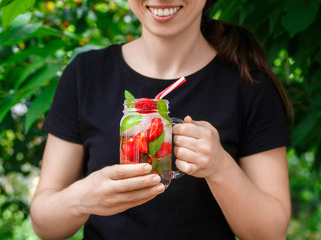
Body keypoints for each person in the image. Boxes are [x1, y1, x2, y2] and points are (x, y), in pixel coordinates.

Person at [30, 0, 292, 239]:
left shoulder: (250, 86)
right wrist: (82, 198)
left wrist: (220, 168)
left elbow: (271, 233)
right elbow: (44, 225)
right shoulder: (85, 74)